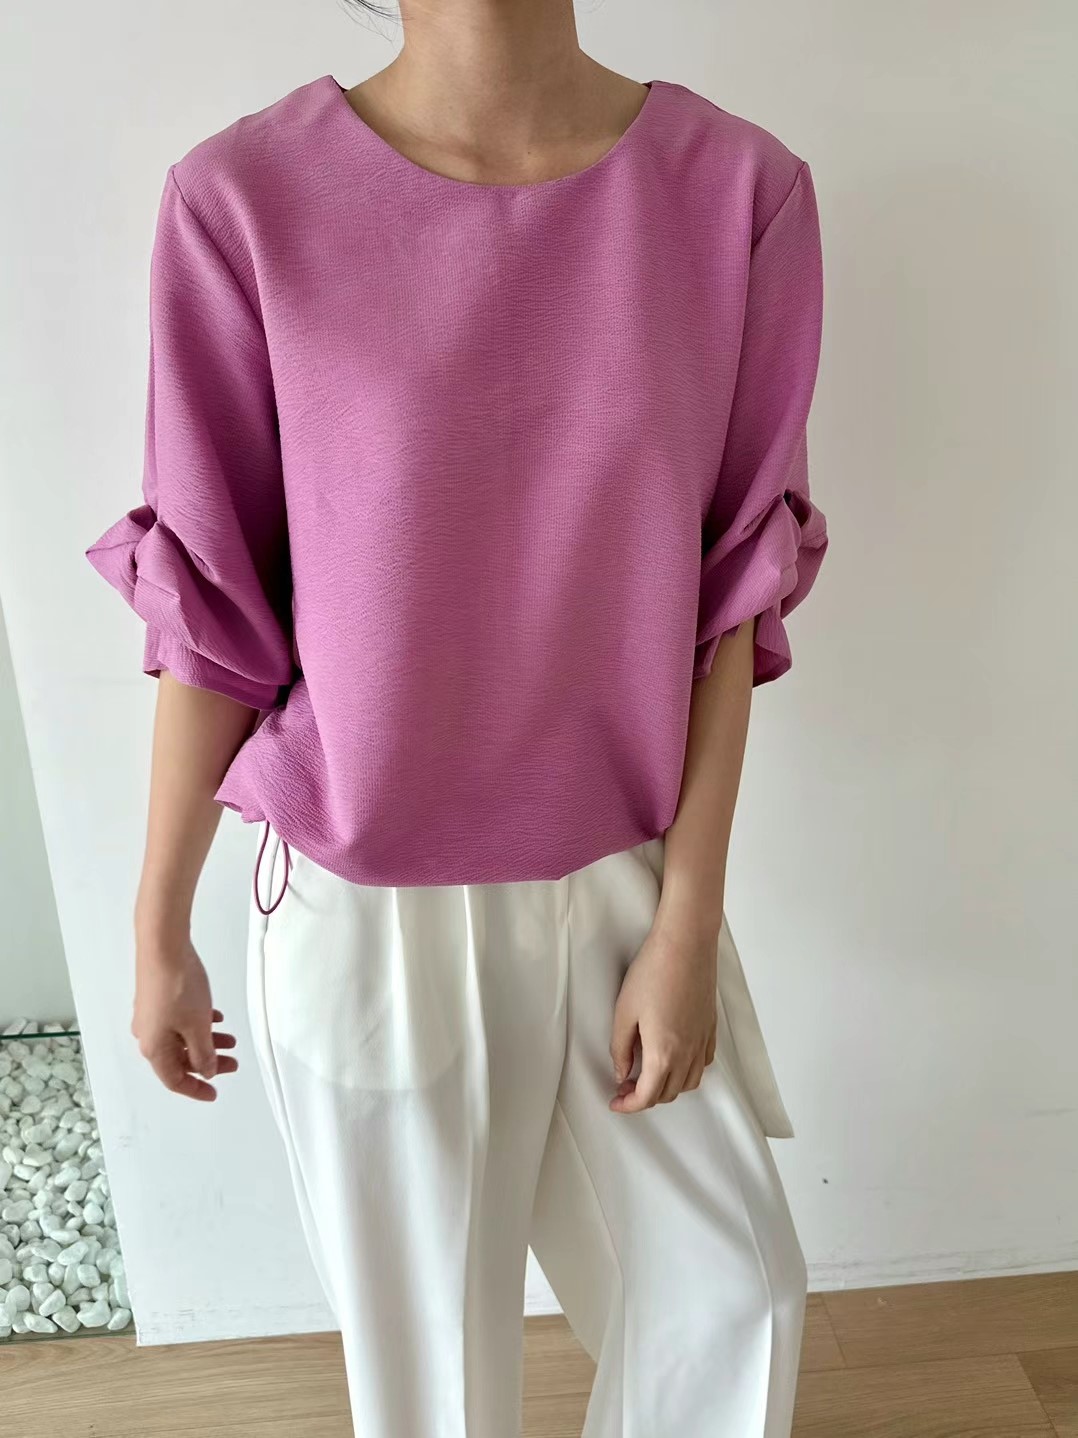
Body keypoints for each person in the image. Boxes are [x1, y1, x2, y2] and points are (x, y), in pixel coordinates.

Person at [85, 6, 828, 1435]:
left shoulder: (737, 192)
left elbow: (730, 598)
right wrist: (158, 921)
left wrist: (685, 922)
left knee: (730, 1297)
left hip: (622, 868)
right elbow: (213, 602)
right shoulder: (244, 199)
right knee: (439, 1389)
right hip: (365, 902)